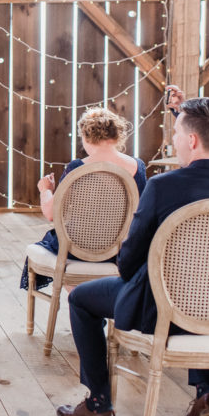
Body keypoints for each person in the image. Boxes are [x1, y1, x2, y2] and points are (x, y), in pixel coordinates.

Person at [56, 97, 209, 416]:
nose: (174, 140)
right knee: (201, 293)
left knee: (80, 299)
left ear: (193, 141)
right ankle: (206, 393)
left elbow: (127, 265)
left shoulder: (162, 187)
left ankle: (97, 405)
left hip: (161, 309)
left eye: (177, 133)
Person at [19, 107, 147, 291]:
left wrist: (45, 190)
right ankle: (95, 305)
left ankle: (81, 305)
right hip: (120, 251)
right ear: (117, 136)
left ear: (86, 138)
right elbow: (141, 210)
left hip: (78, 249)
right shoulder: (137, 166)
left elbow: (50, 214)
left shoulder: (78, 167)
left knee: (60, 244)